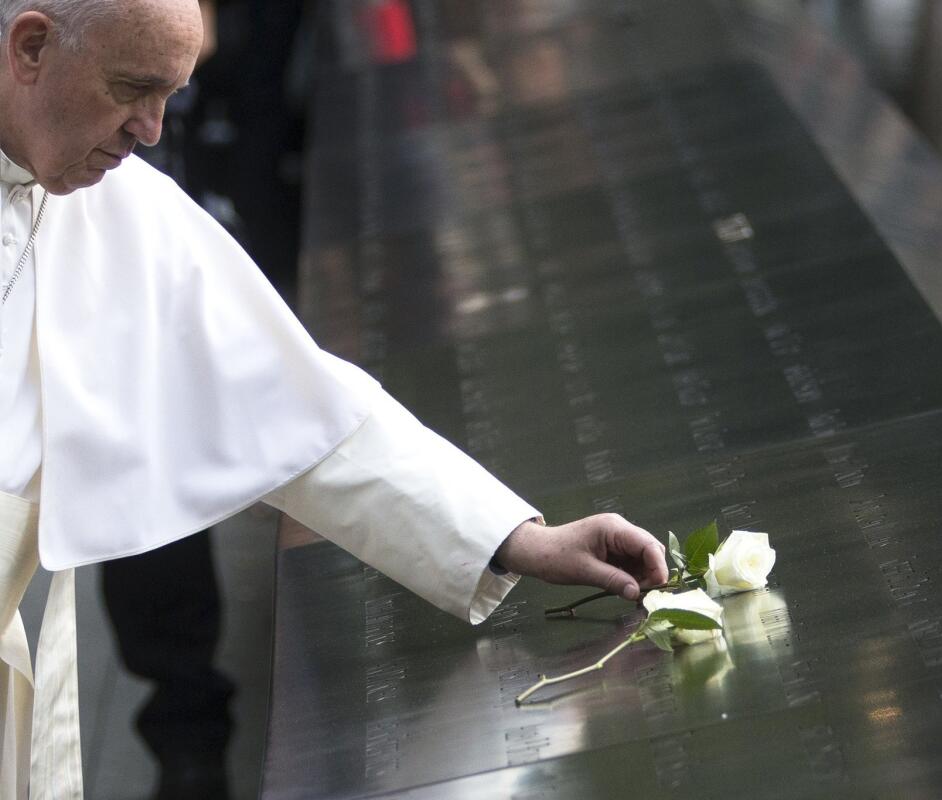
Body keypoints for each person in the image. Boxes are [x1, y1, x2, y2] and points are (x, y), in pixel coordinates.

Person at [0, 1, 668, 798]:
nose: (151, 130)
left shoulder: (112, 202)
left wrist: (515, 538)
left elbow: (294, 403)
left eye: (170, 96)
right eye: (131, 88)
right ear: (31, 46)